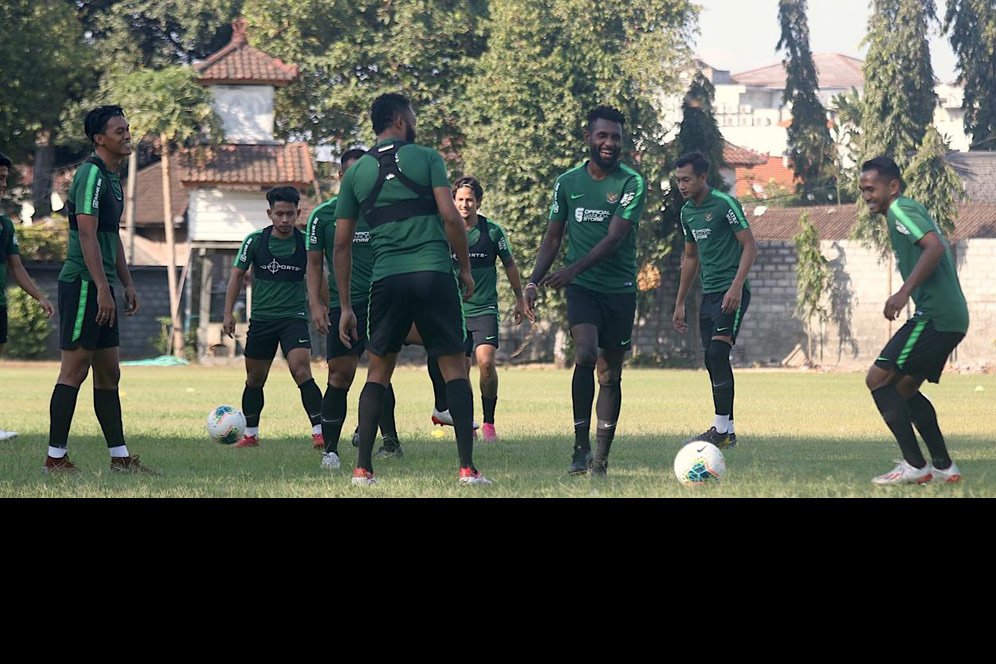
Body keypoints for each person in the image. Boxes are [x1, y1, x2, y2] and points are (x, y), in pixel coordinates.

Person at [335, 92, 489, 486]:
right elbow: (451, 218)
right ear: (401, 120)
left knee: (379, 371)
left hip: (386, 279)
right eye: (413, 115)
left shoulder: (355, 173)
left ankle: (362, 469)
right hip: (434, 274)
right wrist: (466, 268)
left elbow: (340, 245)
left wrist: (348, 306)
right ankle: (467, 470)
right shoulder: (426, 158)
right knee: (454, 365)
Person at [524, 105, 646, 477]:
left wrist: (570, 269)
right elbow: (553, 236)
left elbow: (614, 239)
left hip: (620, 288)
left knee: (610, 374)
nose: (610, 143)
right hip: (582, 289)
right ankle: (580, 448)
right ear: (588, 138)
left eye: (616, 138)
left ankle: (602, 459)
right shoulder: (567, 183)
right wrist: (533, 281)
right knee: (586, 352)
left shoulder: (632, 183)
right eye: (603, 135)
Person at [44, 105, 156, 474]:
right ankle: (54, 459)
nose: (127, 135)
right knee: (74, 371)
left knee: (109, 373)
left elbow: (111, 237)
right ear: (99, 139)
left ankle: (120, 459)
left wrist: (125, 283)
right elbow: (87, 235)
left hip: (103, 285)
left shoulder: (113, 178)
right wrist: (102, 289)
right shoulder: (90, 175)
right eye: (119, 130)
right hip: (82, 284)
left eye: (128, 128)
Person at [858, 156, 969, 485]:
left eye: (872, 189)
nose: (867, 196)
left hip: (934, 315)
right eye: (863, 190)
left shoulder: (900, 210)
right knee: (904, 389)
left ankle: (915, 465)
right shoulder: (905, 209)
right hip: (949, 317)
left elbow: (933, 247)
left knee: (877, 379)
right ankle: (944, 467)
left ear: (893, 187)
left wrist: (904, 292)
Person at [307, 149, 401, 469]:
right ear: (340, 177)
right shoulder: (323, 215)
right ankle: (330, 449)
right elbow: (314, 264)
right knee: (339, 374)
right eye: (351, 173)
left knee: (380, 373)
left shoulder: (383, 212)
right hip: (342, 307)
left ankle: (390, 442)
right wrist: (317, 304)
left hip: (381, 304)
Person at [425, 176, 528, 442]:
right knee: (461, 369)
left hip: (484, 308)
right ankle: (466, 422)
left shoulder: (492, 231)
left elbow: (510, 265)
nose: (464, 204)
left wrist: (520, 298)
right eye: (459, 199)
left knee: (485, 363)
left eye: (469, 199)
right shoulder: (443, 229)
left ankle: (489, 422)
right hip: (453, 311)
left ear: (478, 202)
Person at [223, 185, 324, 450]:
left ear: (298, 213)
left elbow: (318, 276)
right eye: (279, 214)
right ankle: (251, 435)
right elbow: (235, 276)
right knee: (255, 379)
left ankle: (320, 432)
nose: (285, 220)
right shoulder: (255, 241)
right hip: (262, 320)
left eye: (290, 214)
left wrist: (325, 306)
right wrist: (227, 312)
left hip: (294, 318)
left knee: (301, 370)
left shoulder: (305, 243)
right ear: (270, 213)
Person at [672, 151, 757, 449]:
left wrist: (736, 286)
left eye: (686, 179)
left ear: (702, 178)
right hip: (708, 295)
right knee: (712, 359)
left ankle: (720, 430)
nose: (681, 185)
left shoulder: (725, 204)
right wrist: (680, 302)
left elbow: (750, 246)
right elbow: (691, 257)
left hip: (731, 292)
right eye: (678, 180)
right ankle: (728, 431)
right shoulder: (687, 213)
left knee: (718, 355)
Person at [0, 151, 55, 441]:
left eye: (5, 179)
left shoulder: (5, 225)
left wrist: (40, 297)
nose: (2, 184)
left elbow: (16, 267)